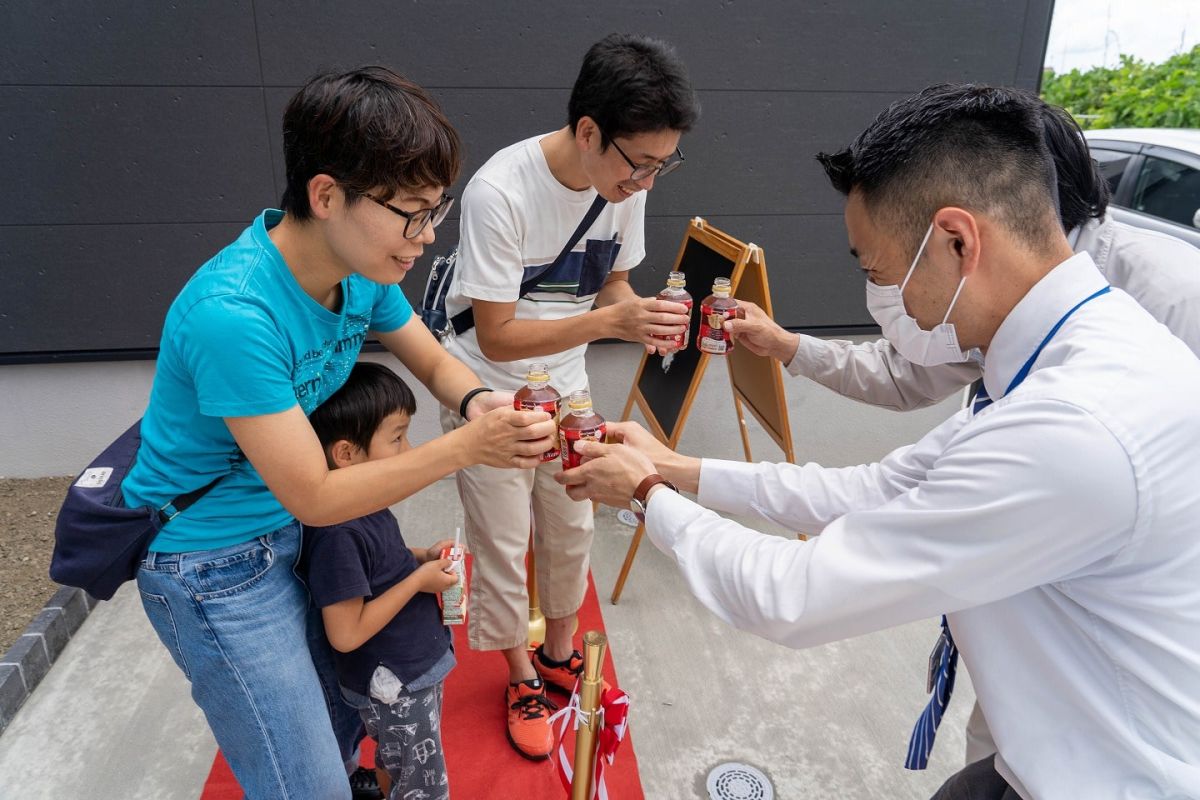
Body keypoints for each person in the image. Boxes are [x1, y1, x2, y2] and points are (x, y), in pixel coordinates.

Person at [558, 84, 1200, 799]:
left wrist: (647, 496)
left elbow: (793, 596)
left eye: (878, 270)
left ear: (957, 241)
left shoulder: (1073, 428)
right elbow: (872, 488)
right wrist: (675, 467)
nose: (882, 294)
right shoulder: (1064, 358)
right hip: (1048, 741)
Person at [123, 67, 556, 799]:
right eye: (410, 214)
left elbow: (431, 357)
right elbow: (319, 494)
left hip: (291, 536)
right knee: (304, 780)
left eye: (434, 212)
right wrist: (463, 447)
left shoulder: (361, 269)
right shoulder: (236, 314)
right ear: (326, 196)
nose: (424, 237)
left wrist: (481, 403)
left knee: (345, 723)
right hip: (213, 570)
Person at [437, 33, 699, 760]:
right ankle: (517, 673)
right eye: (640, 162)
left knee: (572, 523)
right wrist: (613, 320)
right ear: (589, 132)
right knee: (500, 537)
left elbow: (612, 278)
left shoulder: (622, 187)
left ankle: (556, 652)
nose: (647, 181)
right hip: (491, 394)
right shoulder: (501, 191)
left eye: (662, 163)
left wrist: (637, 312)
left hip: (571, 386)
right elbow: (495, 336)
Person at [726, 99, 1200, 411]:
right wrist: (786, 345)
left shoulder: (1173, 296)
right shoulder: (1004, 296)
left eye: (878, 268)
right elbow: (907, 377)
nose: (890, 294)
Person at [303, 362, 458, 800]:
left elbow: (382, 558)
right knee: (420, 782)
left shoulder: (362, 500)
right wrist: (416, 582)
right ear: (347, 454)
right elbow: (346, 633)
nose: (409, 449)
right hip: (394, 681)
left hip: (408, 667)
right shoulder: (337, 533)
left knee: (397, 761)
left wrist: (421, 557)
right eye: (397, 437)